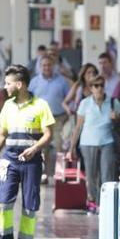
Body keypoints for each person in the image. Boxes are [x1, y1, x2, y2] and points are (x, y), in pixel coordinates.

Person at [0, 64, 55, 239]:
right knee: (3, 204)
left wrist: (35, 148)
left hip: (31, 163)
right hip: (9, 160)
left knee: (30, 208)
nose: (5, 87)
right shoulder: (7, 106)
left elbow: (48, 134)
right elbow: (1, 134)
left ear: (19, 84)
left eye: (8, 83)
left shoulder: (41, 105)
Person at [66, 75, 120, 213]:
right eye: (96, 86)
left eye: (102, 85)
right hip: (88, 142)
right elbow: (78, 127)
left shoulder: (112, 101)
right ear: (90, 88)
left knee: (107, 173)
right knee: (91, 175)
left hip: (107, 141)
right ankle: (92, 200)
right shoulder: (85, 103)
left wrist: (117, 117)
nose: (99, 88)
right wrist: (71, 148)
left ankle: (105, 202)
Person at [29, 55, 72, 184]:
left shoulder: (62, 81)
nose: (47, 67)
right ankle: (43, 174)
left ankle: (59, 173)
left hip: (58, 118)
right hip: (40, 120)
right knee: (42, 148)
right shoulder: (35, 81)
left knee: (59, 146)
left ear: (53, 66)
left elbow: (68, 98)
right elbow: (29, 100)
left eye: (49, 65)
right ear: (40, 67)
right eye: (44, 65)